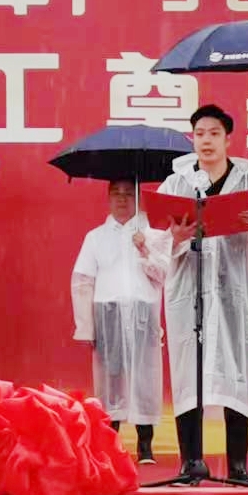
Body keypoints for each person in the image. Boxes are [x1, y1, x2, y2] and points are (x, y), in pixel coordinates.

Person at [155, 104, 248, 486]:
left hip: (232, 292)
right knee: (187, 372)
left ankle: (238, 465)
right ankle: (191, 462)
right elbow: (155, 243)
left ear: (228, 139)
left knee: (236, 371)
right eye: (199, 134)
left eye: (214, 133)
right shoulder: (176, 182)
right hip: (187, 291)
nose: (206, 141)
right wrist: (175, 238)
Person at [71, 180, 166, 464]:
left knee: (144, 377)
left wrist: (145, 250)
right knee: (111, 378)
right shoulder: (95, 237)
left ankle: (145, 444)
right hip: (108, 312)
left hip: (142, 311)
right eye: (116, 194)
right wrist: (86, 325)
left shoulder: (152, 233)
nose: (122, 200)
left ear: (137, 198)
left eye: (128, 194)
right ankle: (109, 443)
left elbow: (165, 274)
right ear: (108, 198)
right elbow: (82, 282)